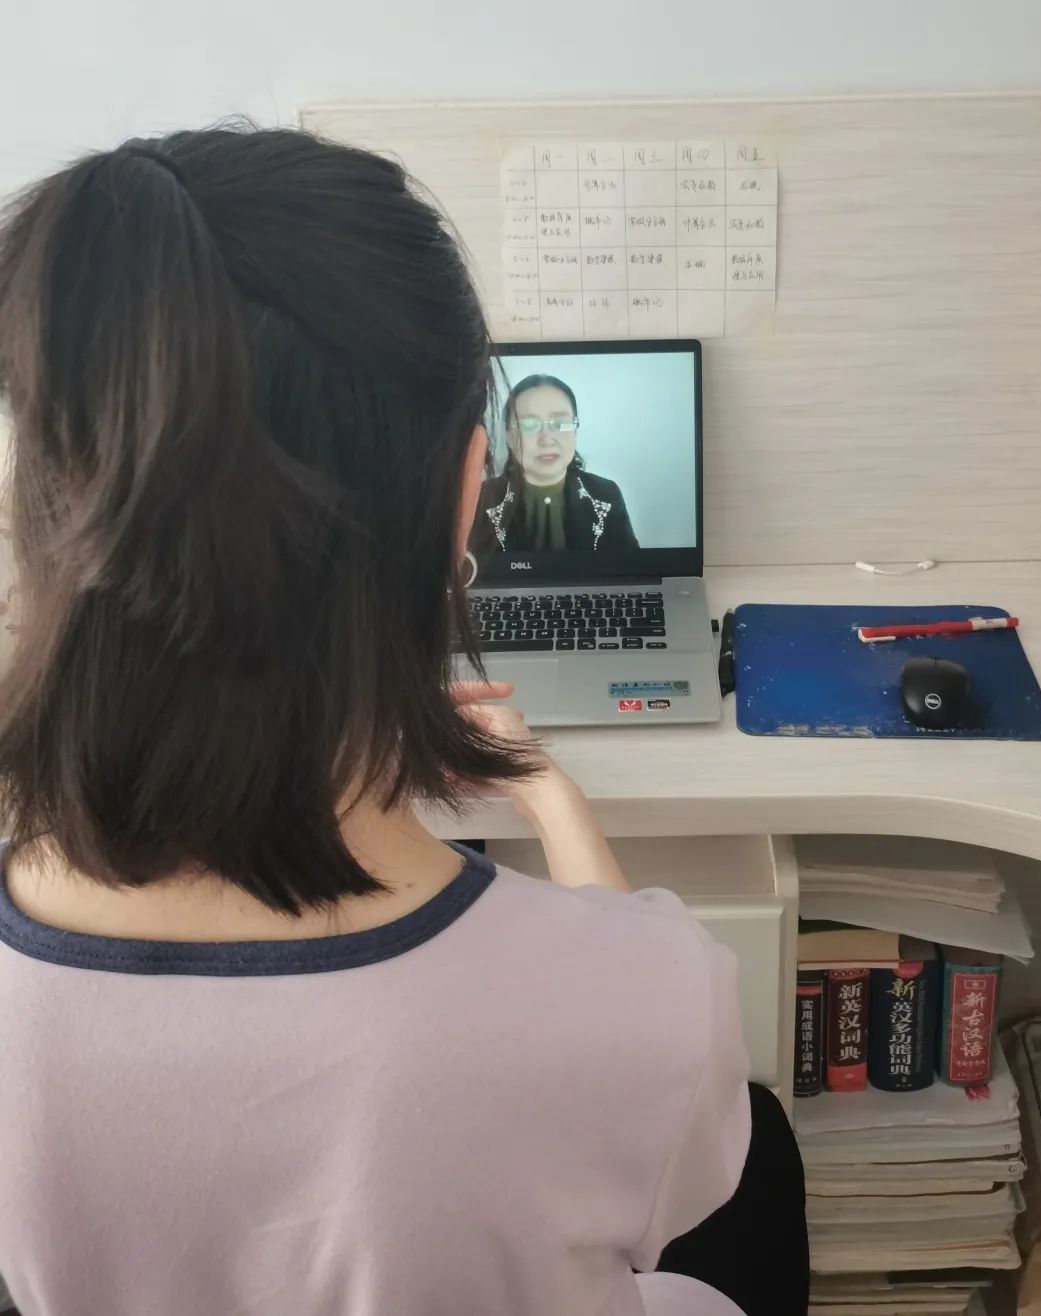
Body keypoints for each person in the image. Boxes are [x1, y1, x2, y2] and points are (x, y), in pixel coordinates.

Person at [0, 128, 797, 1316]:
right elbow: (674, 1191)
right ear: (469, 483)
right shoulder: (646, 999)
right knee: (759, 1160)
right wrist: (551, 799)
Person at [473, 373, 639, 554]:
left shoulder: (606, 494)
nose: (546, 440)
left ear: (575, 431)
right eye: (528, 425)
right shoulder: (482, 498)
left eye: (560, 423)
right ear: (509, 438)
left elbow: (630, 567)